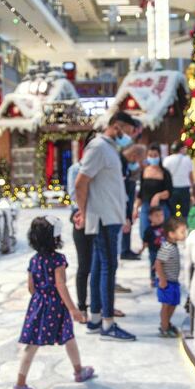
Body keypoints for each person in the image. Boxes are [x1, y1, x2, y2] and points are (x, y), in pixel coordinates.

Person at [13, 216, 95, 389]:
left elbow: (31, 288)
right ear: (55, 238)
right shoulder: (58, 260)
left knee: (31, 345)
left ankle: (20, 384)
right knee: (68, 337)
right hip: (56, 306)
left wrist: (40, 299)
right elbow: (61, 285)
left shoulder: (33, 261)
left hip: (38, 305)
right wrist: (73, 309)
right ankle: (78, 371)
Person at [74, 111, 139, 341]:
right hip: (103, 218)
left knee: (101, 266)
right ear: (117, 126)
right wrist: (83, 212)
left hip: (111, 216)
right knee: (107, 268)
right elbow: (80, 183)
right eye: (129, 132)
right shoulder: (98, 147)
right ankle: (107, 323)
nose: (130, 137)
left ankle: (95, 318)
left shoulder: (109, 148)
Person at [67, 155, 91, 319]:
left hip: (98, 218)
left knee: (99, 266)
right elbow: (74, 194)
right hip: (81, 218)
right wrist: (81, 213)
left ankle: (102, 307)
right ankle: (82, 307)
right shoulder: (76, 169)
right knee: (84, 266)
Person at [154, 216, 187, 338]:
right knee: (166, 305)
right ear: (171, 234)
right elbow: (158, 262)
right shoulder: (167, 247)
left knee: (173, 303)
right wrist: (162, 279)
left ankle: (167, 323)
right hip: (167, 282)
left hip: (173, 281)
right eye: (182, 232)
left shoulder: (173, 246)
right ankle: (164, 327)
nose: (184, 235)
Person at [134, 143, 173, 240]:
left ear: (159, 156)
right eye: (150, 155)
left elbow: (169, 192)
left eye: (155, 155)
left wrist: (158, 196)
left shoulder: (165, 172)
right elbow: (141, 193)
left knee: (161, 236)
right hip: (146, 206)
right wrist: (135, 207)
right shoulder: (144, 171)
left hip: (161, 207)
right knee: (145, 234)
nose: (152, 158)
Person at [120, 144, 147, 261]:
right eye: (137, 159)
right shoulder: (121, 162)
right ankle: (123, 250)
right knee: (125, 222)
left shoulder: (126, 163)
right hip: (122, 197)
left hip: (127, 195)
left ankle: (126, 248)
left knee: (128, 222)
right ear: (134, 155)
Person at [163, 141, 194, 218]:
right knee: (185, 212)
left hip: (172, 188)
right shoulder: (187, 159)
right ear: (181, 149)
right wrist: (193, 187)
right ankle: (184, 227)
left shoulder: (167, 159)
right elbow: (191, 176)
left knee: (172, 212)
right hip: (185, 188)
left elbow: (164, 175)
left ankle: (173, 227)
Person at [140, 206, 166, 287]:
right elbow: (145, 241)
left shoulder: (165, 227)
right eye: (156, 215)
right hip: (153, 251)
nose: (159, 218)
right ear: (150, 217)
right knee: (153, 265)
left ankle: (164, 278)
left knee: (165, 265)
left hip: (164, 251)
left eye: (161, 215)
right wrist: (142, 249)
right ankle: (153, 278)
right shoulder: (149, 229)